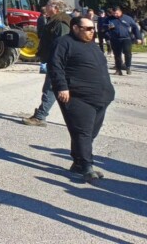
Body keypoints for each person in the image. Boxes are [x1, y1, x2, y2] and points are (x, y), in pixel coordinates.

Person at [49, 16, 116, 183]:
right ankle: (87, 166)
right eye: (87, 29)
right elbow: (55, 66)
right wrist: (62, 87)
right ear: (75, 28)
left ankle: (78, 162)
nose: (92, 31)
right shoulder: (63, 43)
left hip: (101, 97)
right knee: (82, 132)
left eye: (93, 28)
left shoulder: (92, 45)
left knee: (90, 133)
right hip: (78, 96)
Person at [21, 0, 72, 127]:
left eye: (48, 5)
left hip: (58, 62)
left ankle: (40, 117)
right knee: (52, 88)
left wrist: (57, 62)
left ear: (56, 8)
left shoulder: (61, 23)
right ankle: (43, 115)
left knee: (51, 88)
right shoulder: (53, 20)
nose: (45, 7)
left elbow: (62, 45)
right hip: (53, 60)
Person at [103, 6, 142, 76]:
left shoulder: (128, 18)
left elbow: (135, 28)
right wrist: (108, 27)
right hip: (115, 39)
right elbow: (103, 26)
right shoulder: (109, 19)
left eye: (116, 13)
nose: (115, 15)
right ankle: (118, 70)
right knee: (117, 55)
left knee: (127, 53)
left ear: (120, 12)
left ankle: (128, 67)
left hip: (126, 39)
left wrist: (138, 38)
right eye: (114, 13)